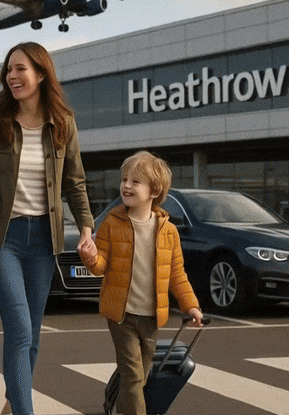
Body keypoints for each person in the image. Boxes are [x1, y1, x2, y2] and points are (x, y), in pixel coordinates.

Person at [0, 42, 96, 415]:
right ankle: (24, 411)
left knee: (31, 337)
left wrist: (85, 227)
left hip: (44, 240)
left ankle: (12, 403)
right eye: (9, 70)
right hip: (3, 240)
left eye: (20, 69)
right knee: (19, 329)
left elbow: (75, 182)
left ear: (41, 74)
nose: (12, 76)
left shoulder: (63, 122)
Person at [80, 150, 203, 415]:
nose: (126, 185)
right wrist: (90, 258)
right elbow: (100, 266)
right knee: (134, 375)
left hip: (150, 317)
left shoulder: (168, 231)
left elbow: (177, 275)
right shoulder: (112, 223)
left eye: (135, 181)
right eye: (125, 179)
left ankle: (118, 409)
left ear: (154, 190)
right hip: (121, 315)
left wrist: (191, 306)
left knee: (140, 376)